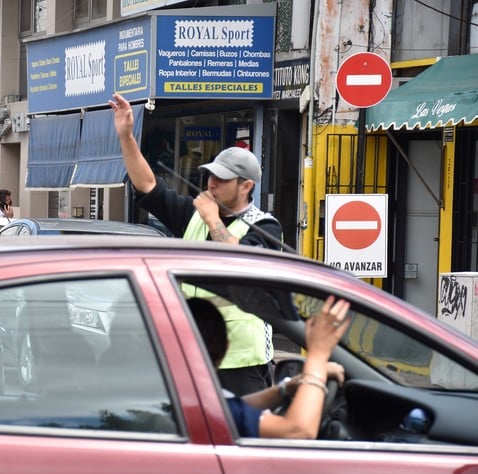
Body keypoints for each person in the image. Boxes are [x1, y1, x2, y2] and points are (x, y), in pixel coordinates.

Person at [109, 92, 282, 396]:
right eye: (209, 177)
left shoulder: (264, 226)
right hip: (192, 356)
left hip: (240, 363)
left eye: (221, 180)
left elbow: (240, 265)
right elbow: (148, 185)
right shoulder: (195, 214)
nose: (211, 185)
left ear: (246, 186)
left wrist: (214, 219)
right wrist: (126, 137)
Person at [187, 296, 349, 439]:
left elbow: (236, 405)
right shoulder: (209, 412)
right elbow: (298, 431)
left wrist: (285, 389)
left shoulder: (185, 399)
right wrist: (318, 356)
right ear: (226, 347)